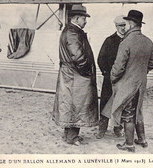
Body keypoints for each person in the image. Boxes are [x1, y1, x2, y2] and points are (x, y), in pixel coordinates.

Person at [101, 10, 153, 152]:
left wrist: (113, 78)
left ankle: (129, 144)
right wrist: (140, 73)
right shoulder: (148, 41)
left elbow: (118, 67)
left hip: (128, 84)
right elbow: (151, 64)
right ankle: (142, 139)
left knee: (128, 113)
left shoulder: (126, 42)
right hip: (141, 83)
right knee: (139, 110)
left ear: (130, 24)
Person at [52, 4, 99, 146]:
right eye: (84, 18)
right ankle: (72, 137)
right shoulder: (73, 33)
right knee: (78, 105)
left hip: (71, 75)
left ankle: (68, 135)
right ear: (77, 18)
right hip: (76, 76)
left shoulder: (71, 31)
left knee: (71, 105)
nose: (86, 21)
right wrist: (87, 72)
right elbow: (78, 56)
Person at [95, 15, 127, 139]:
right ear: (116, 26)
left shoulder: (129, 40)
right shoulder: (109, 40)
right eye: (121, 25)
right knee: (105, 103)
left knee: (121, 104)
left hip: (124, 80)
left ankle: (118, 128)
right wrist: (106, 73)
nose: (123, 28)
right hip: (110, 80)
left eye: (125, 25)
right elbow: (100, 59)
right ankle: (102, 129)